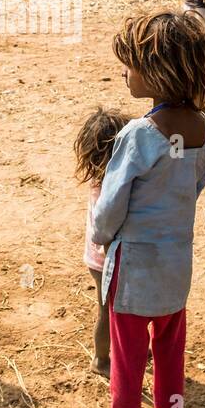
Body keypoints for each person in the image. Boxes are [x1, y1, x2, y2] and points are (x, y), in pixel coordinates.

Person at [89, 11, 205, 408]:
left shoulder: (138, 135)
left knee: (127, 365)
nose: (124, 72)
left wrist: (100, 237)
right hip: (176, 268)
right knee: (169, 357)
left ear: (159, 72)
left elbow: (109, 207)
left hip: (134, 272)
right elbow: (193, 187)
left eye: (131, 63)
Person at [73, 106, 131, 380]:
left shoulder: (106, 178)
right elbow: (106, 232)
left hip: (109, 257)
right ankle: (100, 358)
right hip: (103, 260)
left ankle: (135, 349)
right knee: (107, 310)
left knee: (127, 305)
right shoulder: (106, 187)